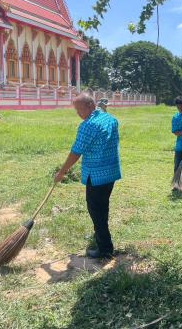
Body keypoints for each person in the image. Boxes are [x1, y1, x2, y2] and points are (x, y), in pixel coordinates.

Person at [55, 93, 121, 259]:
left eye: (79, 110)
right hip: (111, 171)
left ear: (91, 105)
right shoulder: (110, 118)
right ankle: (100, 234)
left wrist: (62, 172)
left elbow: (76, 152)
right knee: (102, 207)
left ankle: (105, 249)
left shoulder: (88, 126)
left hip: (96, 174)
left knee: (96, 211)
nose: (78, 114)